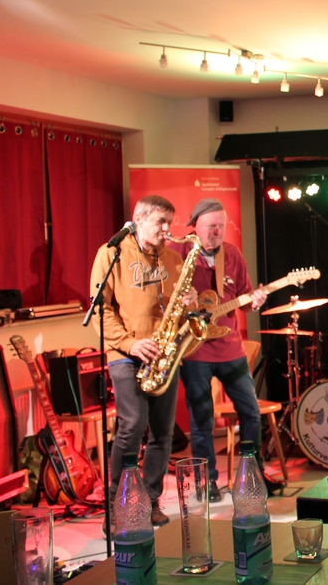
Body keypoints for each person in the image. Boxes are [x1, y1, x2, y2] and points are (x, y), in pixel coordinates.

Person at [89, 195, 192, 526]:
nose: (167, 229)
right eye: (161, 222)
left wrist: (191, 305)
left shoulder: (174, 258)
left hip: (165, 354)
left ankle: (150, 501)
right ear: (139, 219)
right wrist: (130, 344)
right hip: (125, 353)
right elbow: (100, 309)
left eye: (170, 222)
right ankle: (117, 503)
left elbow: (179, 309)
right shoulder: (111, 253)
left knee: (163, 433)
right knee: (132, 425)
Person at [169, 199, 282, 502]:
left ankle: (252, 475)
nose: (216, 232)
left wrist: (255, 301)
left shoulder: (231, 254)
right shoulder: (176, 253)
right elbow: (162, 295)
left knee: (251, 413)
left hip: (230, 348)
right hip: (194, 350)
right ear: (194, 226)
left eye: (221, 226)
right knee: (202, 420)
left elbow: (244, 297)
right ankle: (206, 483)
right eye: (210, 226)